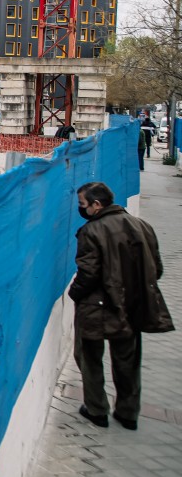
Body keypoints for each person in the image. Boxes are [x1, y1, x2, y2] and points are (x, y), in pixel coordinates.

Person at [70, 181, 174, 430]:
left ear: (97, 204)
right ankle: (128, 413)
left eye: (83, 204)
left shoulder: (92, 231)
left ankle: (96, 409)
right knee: (127, 361)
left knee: (89, 357)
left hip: (96, 307)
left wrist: (75, 293)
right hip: (132, 304)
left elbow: (88, 274)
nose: (81, 209)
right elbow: (156, 268)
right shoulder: (142, 226)